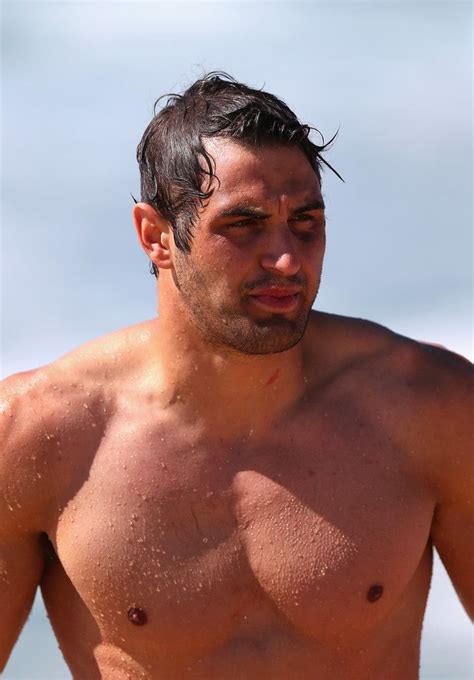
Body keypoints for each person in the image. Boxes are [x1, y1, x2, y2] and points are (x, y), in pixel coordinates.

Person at [1, 72, 472, 680]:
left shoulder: (429, 408)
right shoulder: (38, 436)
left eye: (305, 223)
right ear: (156, 236)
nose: (285, 259)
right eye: (242, 225)